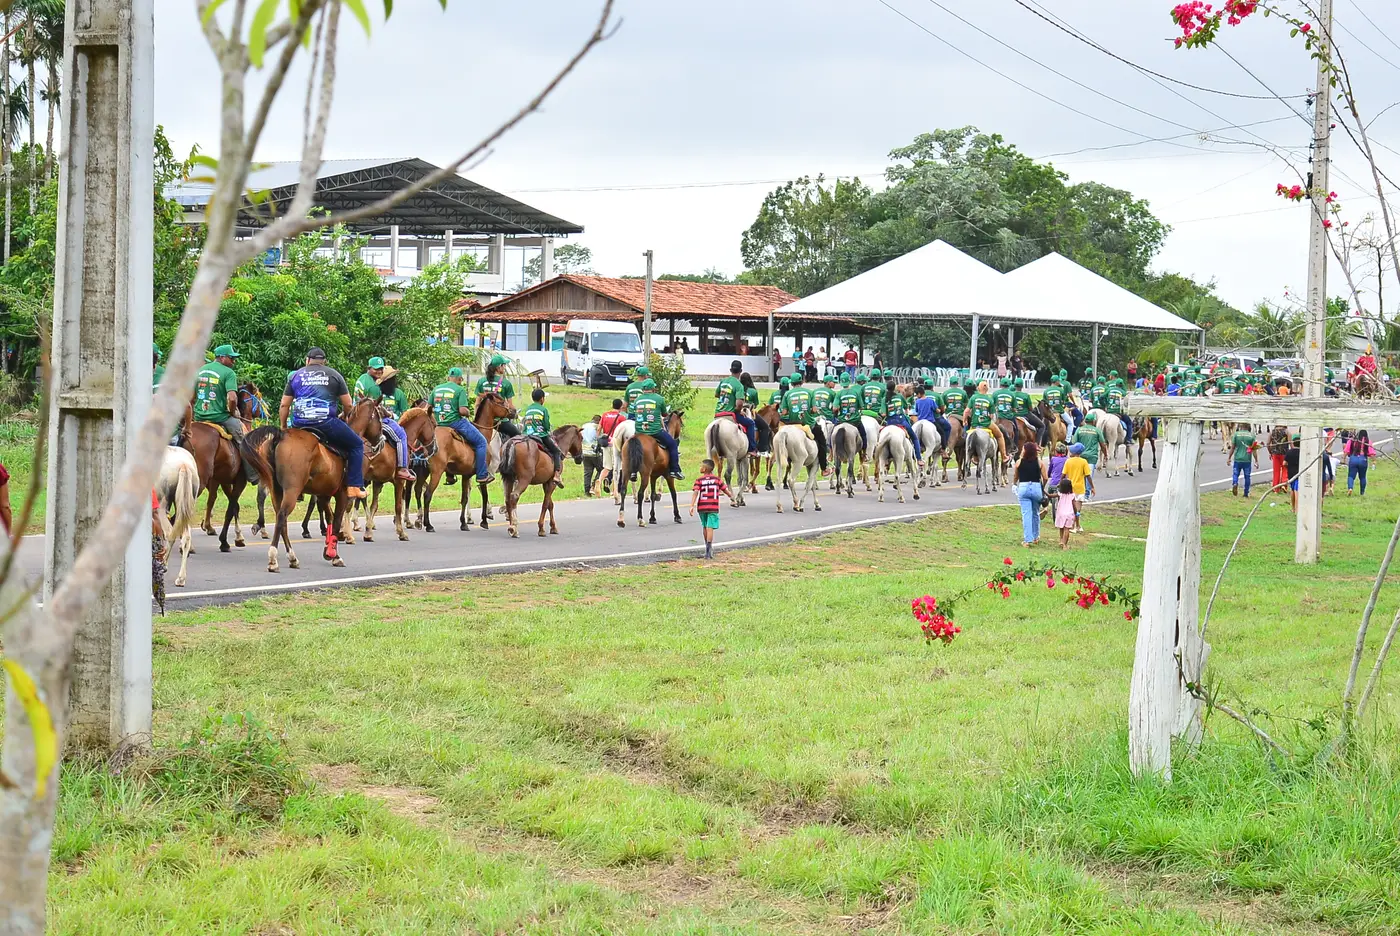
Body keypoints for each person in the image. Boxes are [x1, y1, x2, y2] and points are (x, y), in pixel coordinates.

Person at [280, 348, 366, 500]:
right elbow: (348, 404)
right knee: (357, 445)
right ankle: (354, 486)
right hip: (326, 423)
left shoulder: (296, 376)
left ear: (307, 360)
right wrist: (346, 417)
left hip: (299, 424)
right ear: (324, 361)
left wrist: (283, 427)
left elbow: (284, 405)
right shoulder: (334, 375)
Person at [194, 343, 258, 482]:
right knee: (243, 440)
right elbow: (233, 398)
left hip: (198, 416)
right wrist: (232, 412)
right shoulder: (228, 373)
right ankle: (253, 475)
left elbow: (192, 396)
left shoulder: (200, 371)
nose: (234, 361)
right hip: (220, 417)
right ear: (222, 357)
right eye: (231, 358)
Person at [353, 357, 416, 482]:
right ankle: (402, 468)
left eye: (381, 369)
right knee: (401, 435)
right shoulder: (374, 387)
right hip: (371, 420)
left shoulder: (362, 379)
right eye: (376, 369)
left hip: (356, 417)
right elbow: (377, 409)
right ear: (369, 368)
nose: (379, 371)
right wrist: (389, 414)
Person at [429, 367, 493, 484]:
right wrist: (468, 412)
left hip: (439, 424)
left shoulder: (436, 389)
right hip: (456, 423)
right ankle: (482, 475)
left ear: (448, 377)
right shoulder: (459, 390)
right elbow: (462, 411)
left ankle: (449, 476)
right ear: (459, 379)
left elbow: (428, 408)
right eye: (460, 380)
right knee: (481, 442)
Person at [633, 378, 683, 480]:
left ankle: (633, 471)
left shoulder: (637, 400)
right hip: (654, 431)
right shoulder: (659, 398)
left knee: (632, 447)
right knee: (673, 444)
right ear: (653, 388)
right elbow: (664, 414)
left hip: (639, 431)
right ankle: (674, 470)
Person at [689, 458, 732, 559]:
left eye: (701, 466)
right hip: (713, 506)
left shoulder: (699, 480)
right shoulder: (717, 480)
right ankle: (709, 551)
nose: (700, 467)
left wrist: (692, 505)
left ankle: (707, 548)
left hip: (702, 506)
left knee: (705, 526)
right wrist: (730, 496)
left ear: (704, 469)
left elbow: (695, 492)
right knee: (710, 527)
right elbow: (725, 489)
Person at [520, 387, 563, 485]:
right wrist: (547, 430)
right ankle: (557, 474)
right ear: (542, 399)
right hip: (540, 435)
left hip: (527, 435)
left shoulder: (528, 409)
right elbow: (546, 425)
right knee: (556, 451)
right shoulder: (543, 409)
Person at [714, 360, 757, 455]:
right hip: (730, 415)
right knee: (751, 423)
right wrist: (738, 410)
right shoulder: (738, 385)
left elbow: (717, 394)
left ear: (730, 370)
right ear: (740, 371)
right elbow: (739, 404)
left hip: (717, 414)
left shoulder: (723, 381)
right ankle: (751, 449)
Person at [1014, 441, 1046, 546]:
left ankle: (1027, 539)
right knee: (1035, 512)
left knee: (1026, 514)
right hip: (1036, 487)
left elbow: (1016, 476)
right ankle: (1036, 536)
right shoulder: (1039, 462)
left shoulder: (1019, 462)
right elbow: (1045, 477)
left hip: (1024, 486)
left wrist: (1014, 484)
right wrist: (1042, 486)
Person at [594, 398, 627, 495]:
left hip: (606, 443)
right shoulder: (621, 418)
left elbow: (599, 428)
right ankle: (615, 490)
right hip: (616, 444)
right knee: (617, 467)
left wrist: (598, 439)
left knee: (607, 467)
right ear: (621, 407)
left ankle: (599, 481)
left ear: (612, 405)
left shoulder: (605, 415)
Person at [884, 381, 920, 462]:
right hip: (901, 421)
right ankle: (919, 458)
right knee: (914, 438)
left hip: (890, 422)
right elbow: (906, 408)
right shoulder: (899, 396)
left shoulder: (884, 399)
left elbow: (883, 413)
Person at [1062, 443, 1091, 533]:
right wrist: (1092, 487)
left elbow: (1063, 474)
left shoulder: (1068, 461)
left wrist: (1060, 484)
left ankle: (1074, 525)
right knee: (1078, 509)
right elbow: (1088, 475)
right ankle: (1076, 525)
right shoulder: (1084, 462)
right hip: (1080, 488)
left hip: (1070, 488)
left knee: (1071, 509)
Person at [1074, 412, 1102, 499]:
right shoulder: (1097, 430)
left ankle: (1078, 493)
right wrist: (1105, 454)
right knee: (1088, 475)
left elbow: (1074, 443)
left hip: (1080, 456)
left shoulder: (1079, 430)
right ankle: (1086, 495)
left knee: (1080, 475)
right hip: (1091, 457)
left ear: (1085, 421)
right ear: (1093, 421)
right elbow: (1103, 444)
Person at [835, 374, 866, 452]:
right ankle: (864, 453)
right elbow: (862, 407)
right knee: (863, 435)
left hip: (842, 420)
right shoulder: (856, 392)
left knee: (832, 434)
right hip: (855, 420)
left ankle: (831, 453)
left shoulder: (839, 393)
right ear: (849, 381)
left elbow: (835, 408)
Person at [1230, 424, 1256, 496]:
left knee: (1235, 474)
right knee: (1247, 476)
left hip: (1237, 459)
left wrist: (1229, 458)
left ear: (1240, 427)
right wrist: (1256, 460)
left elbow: (1232, 447)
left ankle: (1235, 483)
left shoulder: (1236, 434)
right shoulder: (1252, 436)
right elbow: (1254, 449)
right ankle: (1246, 492)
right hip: (1247, 459)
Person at [1346, 429, 1374, 495]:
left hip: (1353, 458)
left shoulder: (1352, 440)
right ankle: (1362, 492)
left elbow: (1347, 450)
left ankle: (1350, 488)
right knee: (1362, 477)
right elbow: (1371, 453)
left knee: (1351, 476)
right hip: (1363, 459)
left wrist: (1344, 458)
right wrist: (1374, 461)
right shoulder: (1368, 442)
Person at [581, 415, 602, 496]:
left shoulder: (584, 426)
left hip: (584, 452)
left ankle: (587, 491)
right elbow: (599, 439)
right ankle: (593, 486)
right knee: (601, 469)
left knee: (587, 472)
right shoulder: (597, 427)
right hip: (595, 453)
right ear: (598, 421)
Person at [1054, 478, 1077, 549]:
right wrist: (1076, 513)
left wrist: (1044, 492)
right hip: (1069, 514)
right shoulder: (1072, 495)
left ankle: (1061, 541)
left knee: (1061, 527)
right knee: (1067, 529)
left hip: (1060, 513)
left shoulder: (1060, 494)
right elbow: (1074, 506)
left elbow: (1050, 495)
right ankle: (1065, 544)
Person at [1285, 433, 1302, 512]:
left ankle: (1293, 508)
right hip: (1299, 473)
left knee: (1292, 490)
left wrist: (1288, 466)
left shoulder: (1289, 452)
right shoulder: (1302, 452)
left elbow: (1284, 463)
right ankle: (1297, 509)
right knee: (1297, 490)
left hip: (1291, 473)